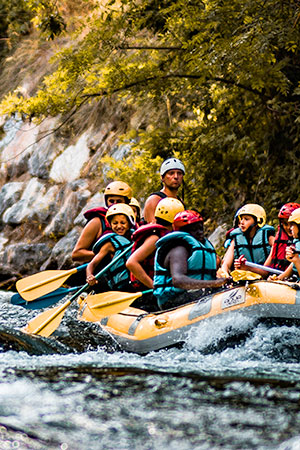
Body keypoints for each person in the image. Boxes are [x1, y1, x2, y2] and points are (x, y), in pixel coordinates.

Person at [153, 210, 229, 310]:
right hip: (173, 301)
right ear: (183, 231)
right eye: (194, 230)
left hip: (195, 294)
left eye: (200, 228)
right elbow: (178, 280)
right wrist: (214, 283)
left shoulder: (201, 246)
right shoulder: (178, 249)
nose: (200, 232)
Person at [126, 198, 185, 291]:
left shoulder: (166, 234)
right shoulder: (155, 237)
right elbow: (131, 263)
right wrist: (154, 286)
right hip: (146, 289)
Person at [232, 202, 300, 278]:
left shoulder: (270, 239)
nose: (288, 228)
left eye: (291, 225)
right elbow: (265, 271)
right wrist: (246, 267)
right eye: (284, 224)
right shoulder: (278, 242)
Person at [72, 181, 132, 263]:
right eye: (111, 201)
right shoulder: (97, 222)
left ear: (127, 203)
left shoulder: (131, 221)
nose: (114, 204)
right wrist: (104, 254)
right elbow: (76, 254)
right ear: (106, 201)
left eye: (118, 201)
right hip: (98, 272)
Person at [86, 203, 136, 291]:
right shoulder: (109, 244)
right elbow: (92, 264)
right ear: (110, 224)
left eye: (123, 223)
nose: (119, 226)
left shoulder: (135, 237)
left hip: (134, 283)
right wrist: (89, 276)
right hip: (119, 287)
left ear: (129, 223)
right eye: (115, 223)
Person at [220, 204, 275, 277]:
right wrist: (226, 275)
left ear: (258, 222)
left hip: (266, 280)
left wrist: (247, 268)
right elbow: (225, 265)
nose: (242, 222)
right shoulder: (235, 240)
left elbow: (265, 272)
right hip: (244, 281)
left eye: (246, 219)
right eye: (241, 219)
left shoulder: (269, 239)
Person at [143, 157, 185, 223]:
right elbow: (153, 228)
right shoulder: (154, 200)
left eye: (179, 173)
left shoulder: (180, 202)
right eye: (171, 173)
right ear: (162, 178)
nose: (176, 177)